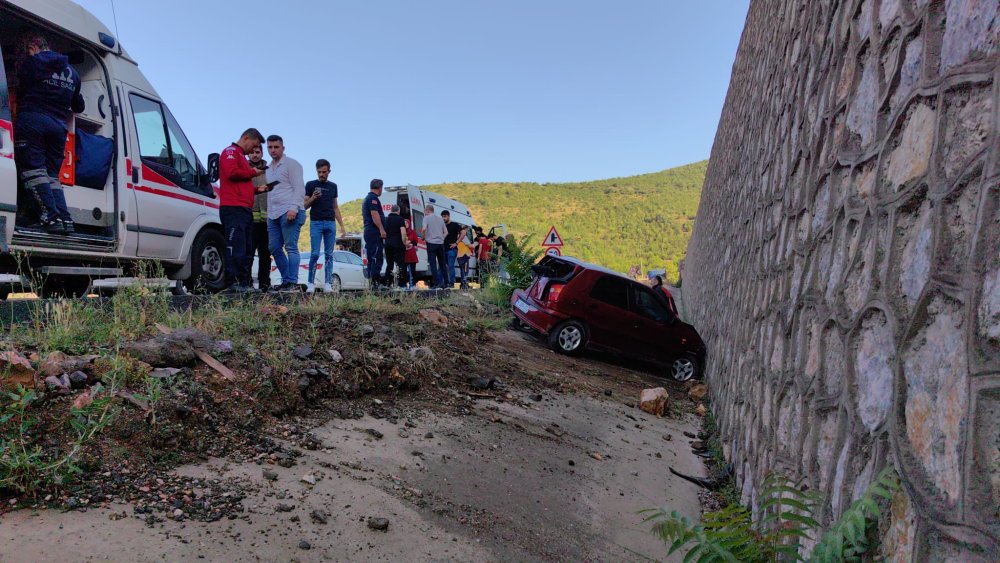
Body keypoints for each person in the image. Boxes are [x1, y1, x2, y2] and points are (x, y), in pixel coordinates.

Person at [13, 33, 85, 234]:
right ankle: (65, 220)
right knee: (52, 176)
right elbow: (78, 106)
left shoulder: (31, 64)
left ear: (34, 46)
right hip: (58, 128)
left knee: (33, 171)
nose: (27, 54)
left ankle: (50, 218)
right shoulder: (73, 72)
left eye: (27, 50)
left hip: (32, 121)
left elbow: (19, 89)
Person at [218, 128, 267, 292]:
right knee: (236, 245)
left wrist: (255, 190)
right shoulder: (230, 152)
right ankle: (234, 282)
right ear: (246, 138)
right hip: (233, 208)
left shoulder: (242, 157)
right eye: (253, 144)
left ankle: (244, 282)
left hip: (245, 209)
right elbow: (232, 173)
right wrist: (252, 172)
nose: (252, 149)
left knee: (247, 247)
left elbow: (240, 183)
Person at [265, 135, 306, 292]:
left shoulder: (292, 164)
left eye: (276, 147)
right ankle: (287, 280)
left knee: (291, 247)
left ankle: (291, 282)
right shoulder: (268, 169)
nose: (273, 150)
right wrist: (269, 213)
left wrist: (294, 208)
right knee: (274, 247)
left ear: (283, 148)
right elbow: (270, 192)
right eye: (270, 147)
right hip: (273, 214)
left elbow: (299, 188)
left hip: (289, 211)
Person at [304, 159, 346, 294]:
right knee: (315, 253)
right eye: (319, 172)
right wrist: (313, 198)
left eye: (324, 172)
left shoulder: (333, 186)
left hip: (330, 223)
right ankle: (311, 282)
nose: (321, 174)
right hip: (315, 222)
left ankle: (328, 283)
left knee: (329, 254)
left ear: (329, 171)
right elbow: (304, 206)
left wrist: (342, 226)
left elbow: (335, 207)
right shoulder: (310, 185)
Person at [248, 146, 271, 292]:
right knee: (248, 254)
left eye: (257, 152)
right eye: (252, 152)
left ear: (262, 154)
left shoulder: (269, 170)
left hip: (266, 222)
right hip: (250, 219)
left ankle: (264, 284)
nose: (255, 155)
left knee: (265, 255)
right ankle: (247, 283)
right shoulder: (244, 169)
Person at [362, 179, 387, 287]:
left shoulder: (368, 198)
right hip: (374, 232)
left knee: (372, 257)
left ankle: (372, 284)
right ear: (380, 187)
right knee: (377, 257)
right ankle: (375, 283)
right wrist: (381, 229)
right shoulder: (373, 198)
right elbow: (374, 214)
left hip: (370, 232)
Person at [421, 205, 448, 289]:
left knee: (433, 264)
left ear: (427, 211)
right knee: (442, 264)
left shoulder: (426, 218)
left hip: (431, 244)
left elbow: (424, 229)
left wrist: (424, 238)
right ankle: (446, 283)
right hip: (440, 244)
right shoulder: (440, 218)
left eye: (425, 211)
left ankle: (436, 284)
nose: (424, 213)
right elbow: (446, 232)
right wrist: (441, 238)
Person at [383, 205, 407, 288]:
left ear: (391, 210)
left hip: (387, 245)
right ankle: (401, 284)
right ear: (398, 211)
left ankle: (387, 283)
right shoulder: (400, 219)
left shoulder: (385, 219)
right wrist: (405, 243)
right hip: (398, 244)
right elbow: (403, 233)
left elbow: (383, 233)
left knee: (389, 264)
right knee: (400, 264)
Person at [442, 211, 467, 289]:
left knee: (450, 266)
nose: (443, 218)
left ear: (449, 216)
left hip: (452, 250)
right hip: (443, 249)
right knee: (443, 267)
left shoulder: (455, 225)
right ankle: (445, 283)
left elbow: (463, 233)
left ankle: (451, 283)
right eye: (442, 216)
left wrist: (456, 243)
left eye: (445, 216)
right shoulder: (442, 225)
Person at [403, 218, 419, 289]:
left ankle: (413, 284)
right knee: (403, 270)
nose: (405, 224)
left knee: (412, 270)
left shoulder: (412, 232)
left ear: (409, 224)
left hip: (411, 252)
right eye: (404, 223)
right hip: (404, 252)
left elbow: (415, 241)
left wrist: (412, 244)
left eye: (407, 223)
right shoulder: (401, 232)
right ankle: (404, 285)